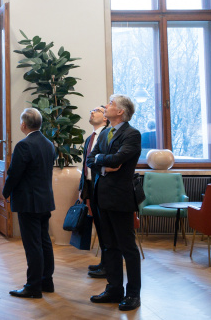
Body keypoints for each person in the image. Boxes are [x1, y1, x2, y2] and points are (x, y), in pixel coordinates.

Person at [86, 94, 142, 312]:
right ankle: (114, 289)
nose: (106, 107)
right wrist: (103, 164)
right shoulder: (106, 132)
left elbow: (119, 160)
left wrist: (103, 160)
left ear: (120, 112)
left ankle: (133, 294)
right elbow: (91, 159)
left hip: (120, 198)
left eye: (110, 104)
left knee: (127, 247)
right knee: (109, 246)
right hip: (102, 196)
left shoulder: (132, 134)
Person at [2, 107, 57, 299]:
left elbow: (14, 173)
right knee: (44, 241)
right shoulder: (49, 144)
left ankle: (33, 286)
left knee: (32, 244)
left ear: (23, 124)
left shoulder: (24, 145)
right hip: (44, 200)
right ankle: (46, 281)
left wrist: (5, 192)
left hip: (28, 201)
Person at [78, 105, 110, 278]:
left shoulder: (107, 135)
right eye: (91, 110)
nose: (92, 112)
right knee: (98, 225)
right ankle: (103, 263)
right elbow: (85, 165)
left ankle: (108, 265)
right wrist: (82, 189)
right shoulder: (90, 138)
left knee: (105, 227)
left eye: (97, 110)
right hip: (90, 186)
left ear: (105, 117)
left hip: (102, 186)